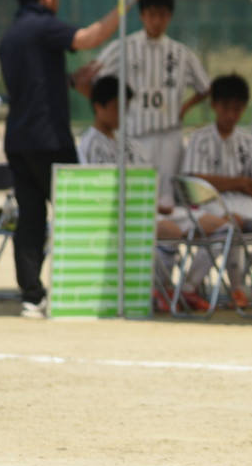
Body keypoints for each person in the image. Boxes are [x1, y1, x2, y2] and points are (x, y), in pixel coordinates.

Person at [0, 0, 130, 318]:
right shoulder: (43, 25)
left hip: (17, 140)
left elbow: (33, 84)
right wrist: (124, 5)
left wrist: (70, 80)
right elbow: (89, 38)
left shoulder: (11, 35)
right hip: (48, 139)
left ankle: (32, 296)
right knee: (78, 213)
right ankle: (85, 289)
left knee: (30, 217)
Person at [78, 74, 222, 313]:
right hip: (120, 212)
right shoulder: (91, 144)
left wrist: (157, 201)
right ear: (98, 107)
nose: (121, 115)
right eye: (115, 108)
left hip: (149, 206)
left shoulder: (130, 143)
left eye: (124, 108)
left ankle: (187, 287)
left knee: (221, 227)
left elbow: (148, 177)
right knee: (170, 231)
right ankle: (159, 289)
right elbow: (100, 189)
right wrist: (148, 203)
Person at [89, 0, 210, 212]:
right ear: (142, 15)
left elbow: (205, 86)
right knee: (138, 195)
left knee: (166, 199)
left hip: (169, 135)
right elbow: (95, 75)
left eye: (162, 15)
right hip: (134, 134)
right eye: (152, 14)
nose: (157, 21)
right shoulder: (124, 47)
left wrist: (185, 106)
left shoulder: (181, 53)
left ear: (170, 17)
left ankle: (167, 246)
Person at [179, 72, 252, 310]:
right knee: (231, 224)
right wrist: (239, 182)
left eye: (237, 109)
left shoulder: (249, 142)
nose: (231, 115)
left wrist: (244, 184)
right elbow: (194, 180)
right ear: (214, 105)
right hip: (210, 205)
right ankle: (232, 287)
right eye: (226, 108)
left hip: (247, 205)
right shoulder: (199, 139)